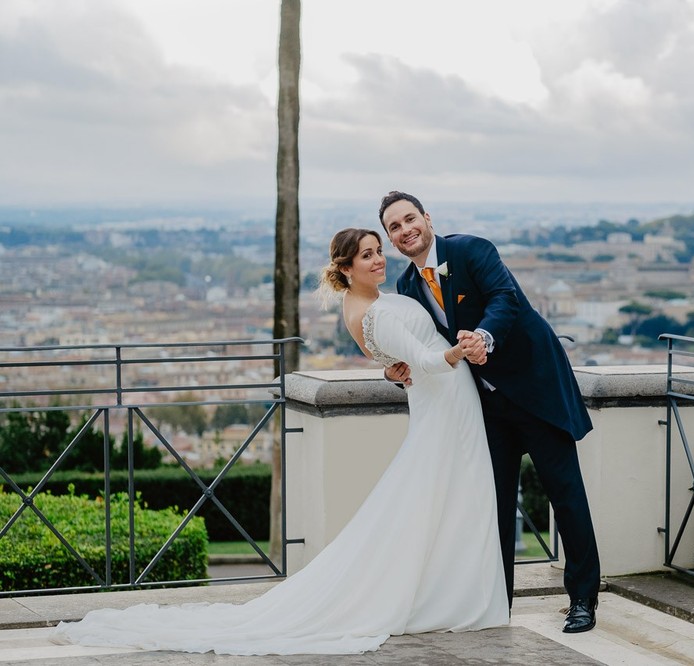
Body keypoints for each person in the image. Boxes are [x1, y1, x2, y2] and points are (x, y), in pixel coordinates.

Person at [52, 228, 509, 655]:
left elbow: (395, 358)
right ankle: (453, 597)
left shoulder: (366, 304)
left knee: (448, 495)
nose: (378, 260)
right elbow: (426, 361)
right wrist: (460, 350)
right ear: (345, 267)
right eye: (367, 255)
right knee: (447, 493)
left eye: (378, 252)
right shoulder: (374, 311)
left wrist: (395, 367)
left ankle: (449, 591)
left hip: (444, 403)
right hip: (445, 400)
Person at [379, 191, 601, 633]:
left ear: (427, 217)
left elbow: (505, 300)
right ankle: (499, 603)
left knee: (566, 496)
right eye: (394, 228)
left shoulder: (472, 249)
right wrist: (397, 369)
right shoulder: (406, 287)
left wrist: (484, 336)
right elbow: (427, 346)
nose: (406, 231)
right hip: (485, 406)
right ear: (391, 238)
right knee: (493, 506)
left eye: (409, 219)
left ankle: (582, 600)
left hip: (535, 391)